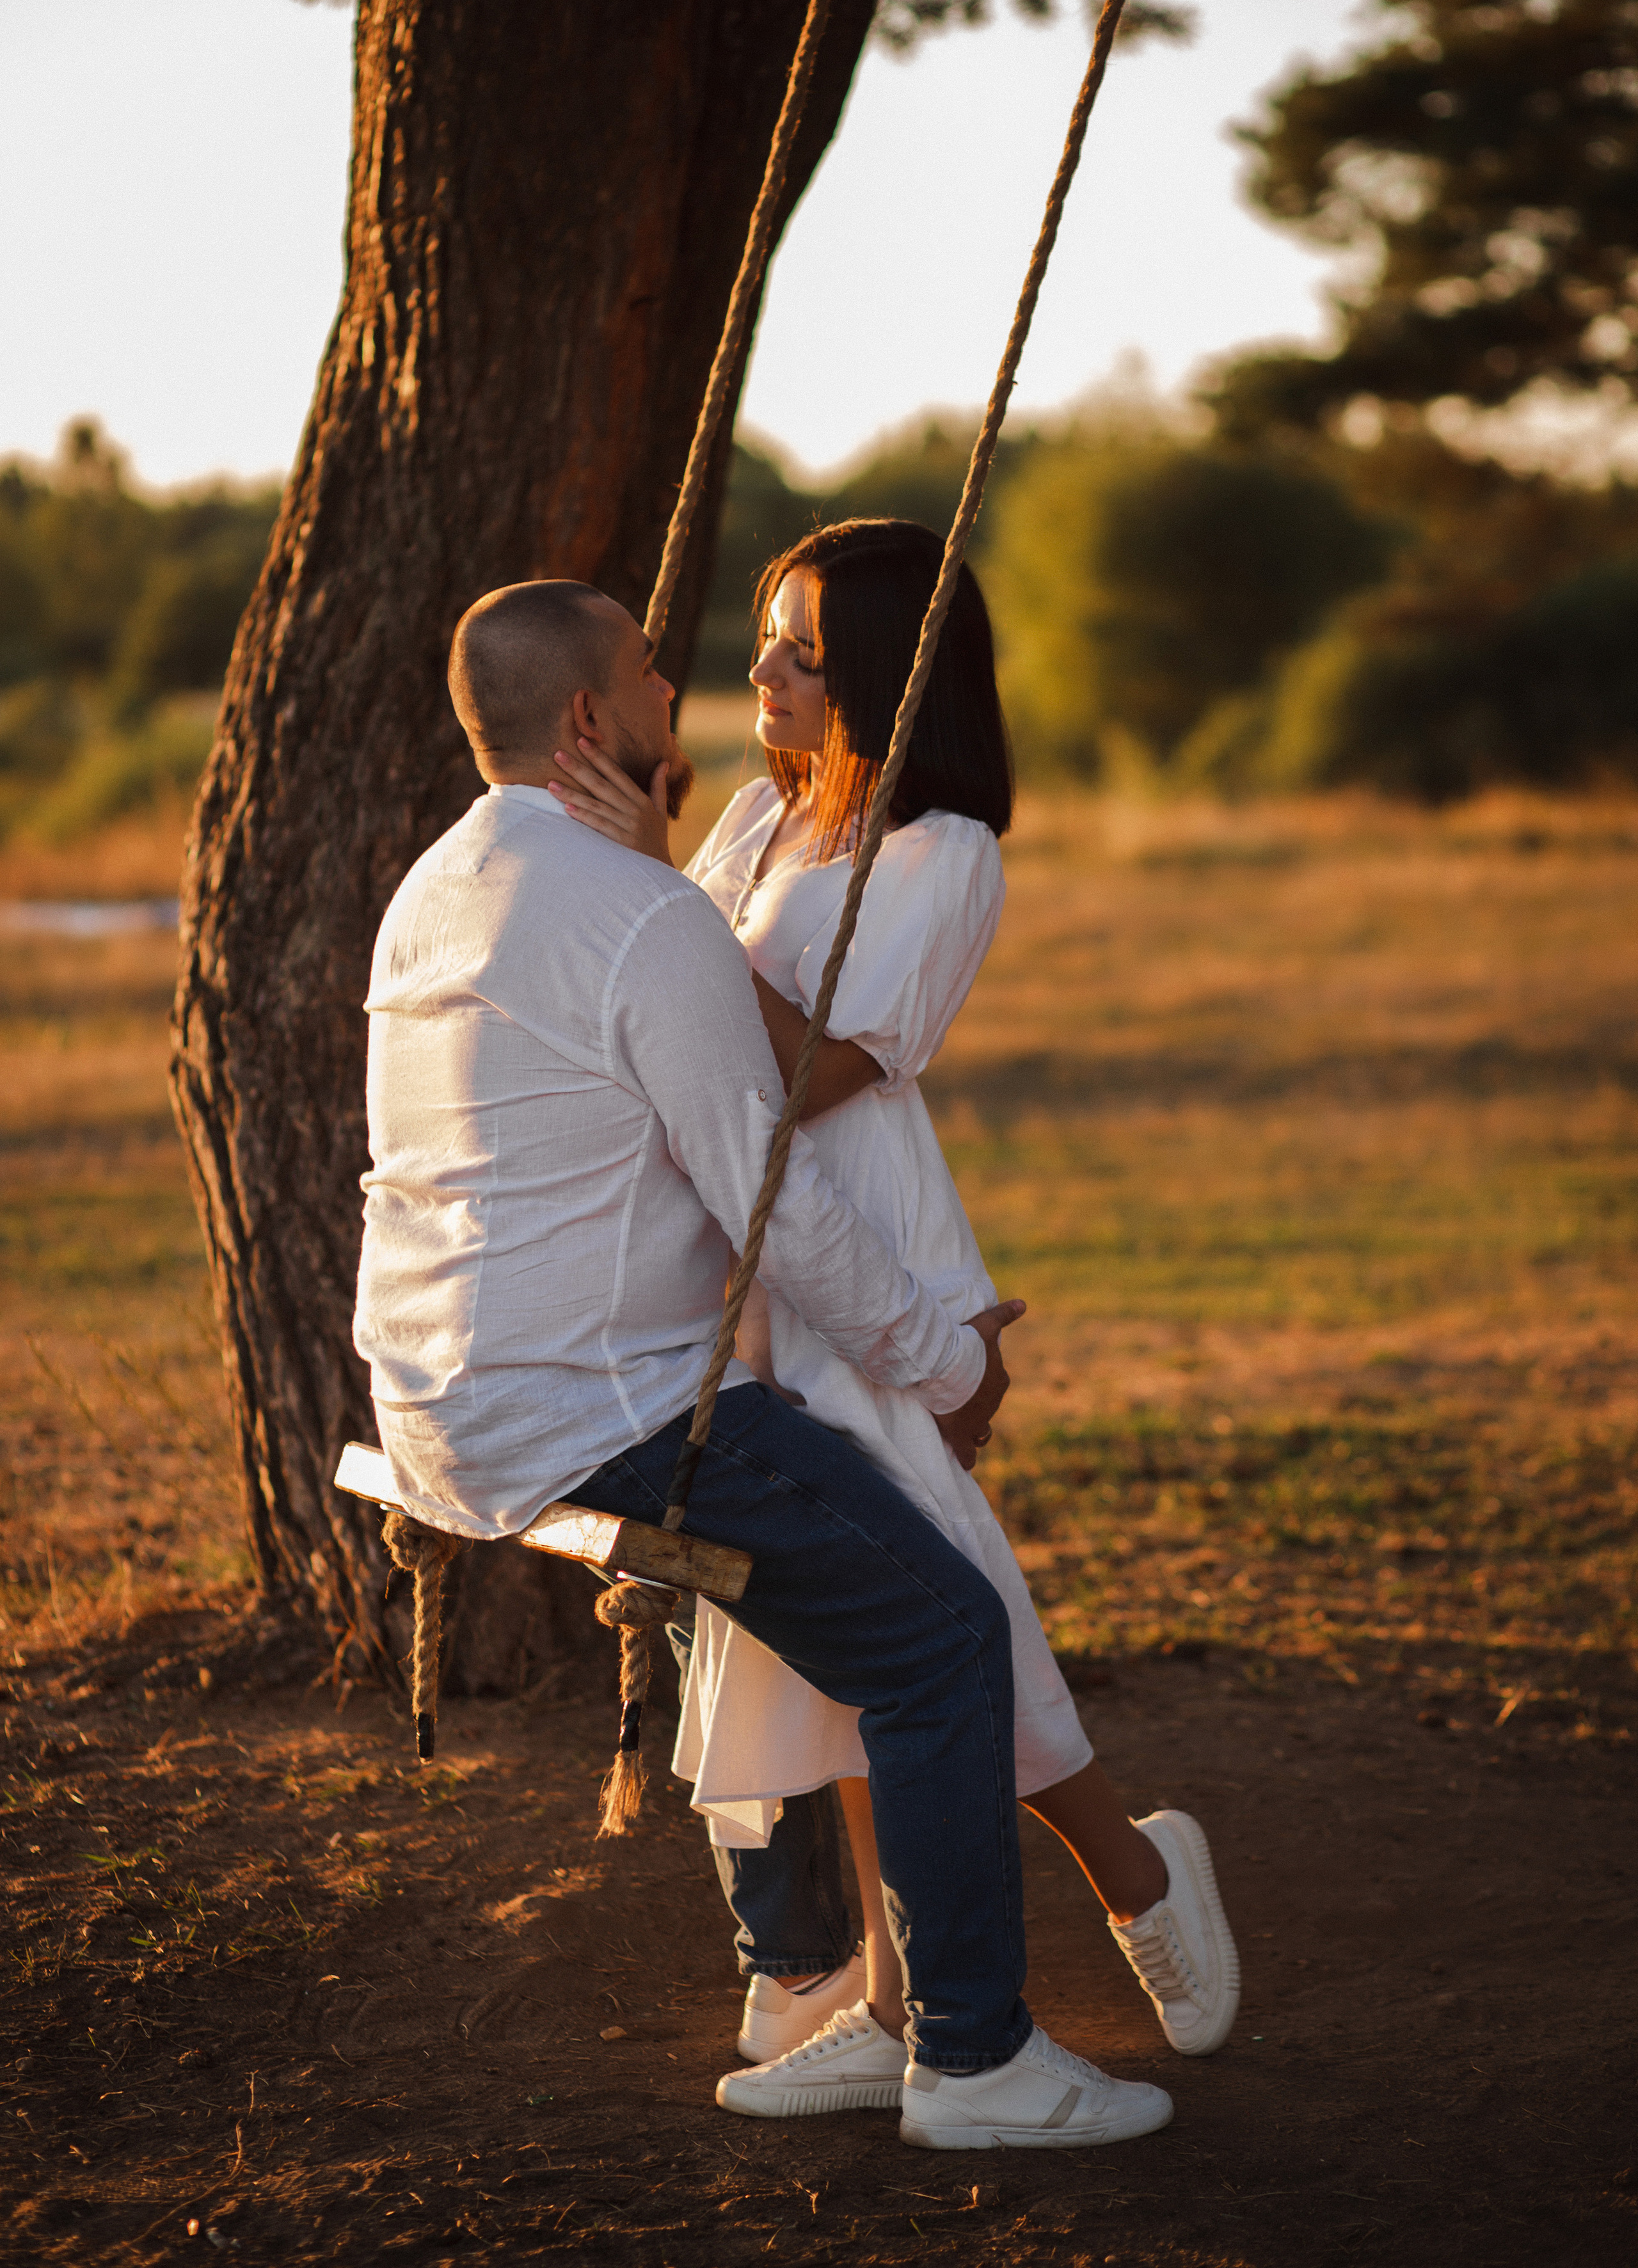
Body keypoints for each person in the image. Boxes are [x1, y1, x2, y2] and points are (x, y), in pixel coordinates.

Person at [354, 575, 1177, 2149]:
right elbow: (766, 1192)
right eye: (654, 672)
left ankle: (867, 1999)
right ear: (592, 719)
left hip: (445, 1396)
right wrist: (949, 1364)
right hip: (605, 1415)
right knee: (942, 1634)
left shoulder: (438, 883)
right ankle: (975, 2061)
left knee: (878, 1612)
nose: (690, 690)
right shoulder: (642, 909)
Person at [544, 522, 1239, 2120]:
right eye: (764, 640)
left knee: (934, 1597)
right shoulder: (747, 824)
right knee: (837, 1632)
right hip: (744, 1272)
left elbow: (790, 1077)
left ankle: (1138, 1878)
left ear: (882, 666)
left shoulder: (942, 854)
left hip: (858, 1252)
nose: (760, 670)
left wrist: (647, 894)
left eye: (798, 646)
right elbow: (664, 1043)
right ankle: (892, 1983)